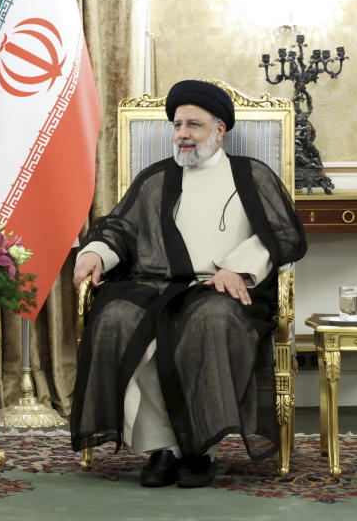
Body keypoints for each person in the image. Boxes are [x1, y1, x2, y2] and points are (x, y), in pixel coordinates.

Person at [69, 80, 306, 488]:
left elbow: (279, 236)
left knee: (208, 319)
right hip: (155, 286)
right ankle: (162, 448)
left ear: (220, 131)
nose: (182, 133)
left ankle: (200, 450)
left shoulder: (250, 175)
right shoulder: (156, 179)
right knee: (116, 317)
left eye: (194, 124)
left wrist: (238, 269)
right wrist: (95, 252)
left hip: (222, 289)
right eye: (177, 124)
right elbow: (120, 229)